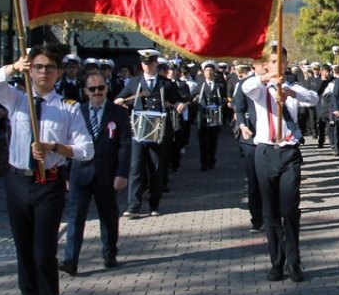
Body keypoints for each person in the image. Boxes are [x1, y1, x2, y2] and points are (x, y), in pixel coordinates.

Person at [0, 44, 93, 295]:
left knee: (43, 255)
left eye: (49, 67)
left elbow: (86, 149)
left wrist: (55, 148)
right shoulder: (17, 100)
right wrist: (11, 68)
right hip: (18, 182)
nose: (43, 72)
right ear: (29, 70)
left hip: (49, 185)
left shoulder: (68, 107)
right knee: (24, 256)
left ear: (59, 73)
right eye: (37, 67)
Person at [242, 42, 319, 282]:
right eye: (273, 61)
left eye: (281, 61)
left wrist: (289, 92)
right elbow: (247, 87)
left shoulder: (293, 87)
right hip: (264, 152)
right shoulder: (258, 88)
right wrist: (265, 76)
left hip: (289, 153)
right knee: (271, 212)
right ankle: (277, 263)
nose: (278, 65)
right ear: (266, 64)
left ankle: (294, 263)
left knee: (289, 209)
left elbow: (313, 98)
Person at [60, 70, 131, 276]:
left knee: (108, 216)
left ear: (107, 88)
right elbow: (67, 144)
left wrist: (122, 173)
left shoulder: (118, 113)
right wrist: (65, 175)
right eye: (93, 89)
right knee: (75, 217)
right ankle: (70, 259)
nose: (97, 92)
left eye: (101, 88)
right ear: (85, 92)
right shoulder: (76, 112)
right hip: (79, 174)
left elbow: (125, 146)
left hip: (107, 174)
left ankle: (109, 252)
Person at [114, 49, 184, 218]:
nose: (148, 66)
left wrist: (181, 105)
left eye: (151, 62)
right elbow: (120, 97)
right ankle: (133, 206)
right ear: (141, 64)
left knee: (156, 168)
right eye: (145, 63)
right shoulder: (134, 82)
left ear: (156, 64)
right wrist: (120, 101)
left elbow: (178, 100)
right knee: (136, 168)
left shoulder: (166, 84)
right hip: (138, 131)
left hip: (158, 132)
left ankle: (154, 204)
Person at [230, 64, 263, 233]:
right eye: (262, 62)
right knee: (254, 180)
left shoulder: (279, 82)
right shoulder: (245, 83)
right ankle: (257, 218)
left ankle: (272, 214)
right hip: (251, 138)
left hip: (272, 140)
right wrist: (242, 124)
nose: (265, 66)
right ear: (255, 65)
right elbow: (239, 108)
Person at [196, 61, 226, 171]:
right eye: (207, 70)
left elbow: (225, 98)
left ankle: (212, 160)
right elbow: (191, 95)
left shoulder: (219, 86)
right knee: (203, 141)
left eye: (211, 70)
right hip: (203, 117)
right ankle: (203, 162)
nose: (209, 73)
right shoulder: (200, 85)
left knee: (213, 140)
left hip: (215, 116)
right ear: (204, 72)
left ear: (214, 72)